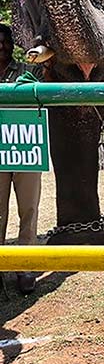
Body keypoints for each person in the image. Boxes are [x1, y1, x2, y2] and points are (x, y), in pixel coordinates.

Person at [0, 24, 41, 294]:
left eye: (6, 42)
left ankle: (25, 267)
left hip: (24, 149)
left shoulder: (26, 73)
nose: (2, 47)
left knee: (29, 209)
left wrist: (36, 88)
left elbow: (43, 95)